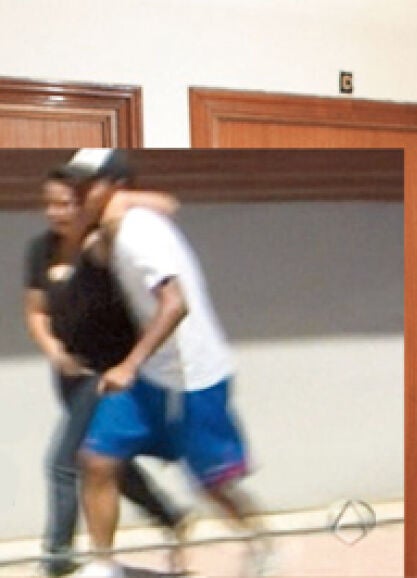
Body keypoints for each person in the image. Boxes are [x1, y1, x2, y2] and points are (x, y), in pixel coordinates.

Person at [46, 149, 271, 578]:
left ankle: (259, 541)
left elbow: (175, 304)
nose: (78, 194)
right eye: (75, 185)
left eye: (87, 185)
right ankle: (103, 565)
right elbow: (154, 209)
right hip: (151, 376)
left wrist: (128, 365)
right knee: (96, 459)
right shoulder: (112, 229)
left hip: (192, 378)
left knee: (212, 484)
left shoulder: (139, 234)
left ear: (115, 187)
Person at [24, 176, 190, 577]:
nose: (56, 212)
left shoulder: (102, 244)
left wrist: (118, 196)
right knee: (108, 460)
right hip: (69, 373)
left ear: (84, 204)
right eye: (50, 204)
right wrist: (54, 350)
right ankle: (171, 515)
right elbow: (36, 311)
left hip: (106, 373)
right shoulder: (41, 249)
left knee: (63, 462)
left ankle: (57, 556)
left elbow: (167, 205)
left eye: (66, 203)